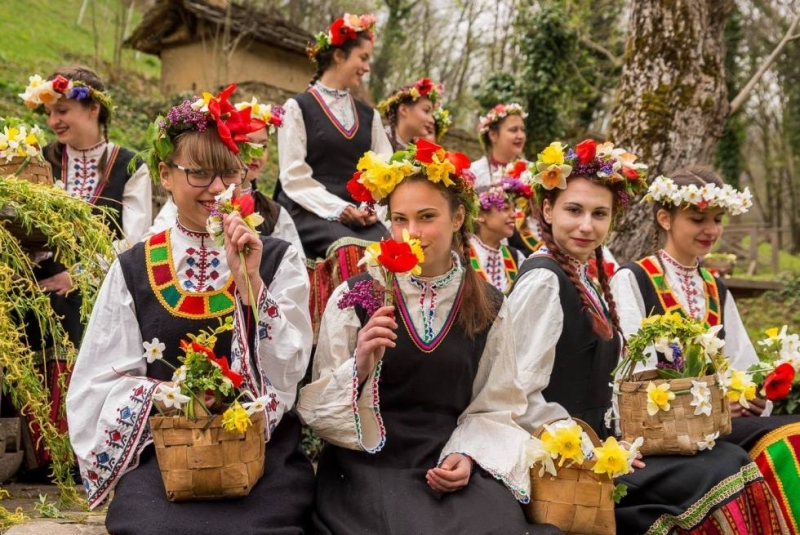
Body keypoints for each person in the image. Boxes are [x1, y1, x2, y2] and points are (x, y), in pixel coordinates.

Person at [66, 85, 314, 534]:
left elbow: (291, 368)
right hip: (166, 461)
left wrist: (250, 282)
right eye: (199, 173)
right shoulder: (133, 267)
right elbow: (97, 381)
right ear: (165, 174)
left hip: (257, 459)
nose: (217, 189)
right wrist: (165, 397)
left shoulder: (278, 259)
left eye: (228, 174)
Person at [508, 140, 788, 534]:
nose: (587, 225)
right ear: (547, 210)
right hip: (563, 462)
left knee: (726, 462)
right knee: (719, 471)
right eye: (574, 210)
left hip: (607, 448)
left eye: (599, 214)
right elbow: (515, 394)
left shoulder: (584, 275)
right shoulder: (544, 280)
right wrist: (594, 450)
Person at [297, 140, 562, 535]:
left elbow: (495, 405)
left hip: (449, 456)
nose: (412, 233)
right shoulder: (356, 296)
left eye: (426, 216)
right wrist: (361, 364)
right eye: (400, 219)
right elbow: (318, 414)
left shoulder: (489, 305)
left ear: (457, 218)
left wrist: (468, 456)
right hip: (369, 462)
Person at [611, 165, 800, 528]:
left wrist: (753, 397)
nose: (710, 230)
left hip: (719, 426)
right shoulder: (632, 280)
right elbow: (631, 378)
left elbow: (742, 364)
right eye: (697, 218)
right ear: (665, 218)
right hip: (661, 435)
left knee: (794, 432)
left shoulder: (715, 288)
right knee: (783, 442)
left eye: (716, 219)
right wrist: (713, 403)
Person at [17, 66, 152, 469]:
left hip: (104, 282)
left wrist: (80, 275)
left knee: (72, 306)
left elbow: (134, 240)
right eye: (49, 113)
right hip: (38, 277)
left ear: (93, 108)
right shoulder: (38, 162)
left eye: (62, 110)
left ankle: (84, 456)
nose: (54, 121)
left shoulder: (130, 165)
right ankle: (38, 455)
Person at [276, 13, 392, 260]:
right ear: (339, 56)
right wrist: (339, 208)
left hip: (360, 214)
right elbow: (293, 175)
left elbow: (385, 173)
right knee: (349, 251)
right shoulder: (297, 107)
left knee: (391, 250)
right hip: (309, 210)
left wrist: (369, 208)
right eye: (363, 57)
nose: (367, 67)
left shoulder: (369, 116)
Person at [145, 97, 305, 261]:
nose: (254, 155)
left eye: (263, 146)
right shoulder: (183, 204)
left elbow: (295, 266)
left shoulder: (273, 215)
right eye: (200, 173)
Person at [468, 179, 531, 294]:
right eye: (506, 208)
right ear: (480, 215)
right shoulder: (461, 255)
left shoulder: (516, 257)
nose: (513, 215)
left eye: (513, 209)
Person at [469, 102, 528, 188]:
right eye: (513, 130)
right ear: (493, 135)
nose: (521, 136)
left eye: (522, 130)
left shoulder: (533, 172)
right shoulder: (474, 173)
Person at [377, 77, 443, 151]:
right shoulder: (376, 141)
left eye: (431, 114)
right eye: (426, 111)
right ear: (403, 110)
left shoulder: (413, 155)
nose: (432, 120)